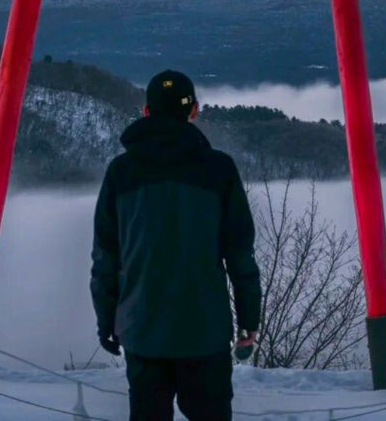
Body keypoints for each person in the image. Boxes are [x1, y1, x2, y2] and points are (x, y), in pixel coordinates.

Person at [91, 69, 262, 421]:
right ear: (194, 110)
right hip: (205, 330)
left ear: (146, 112)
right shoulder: (219, 169)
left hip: (142, 328)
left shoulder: (121, 173)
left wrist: (107, 320)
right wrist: (248, 319)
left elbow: (106, 257)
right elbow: (240, 253)